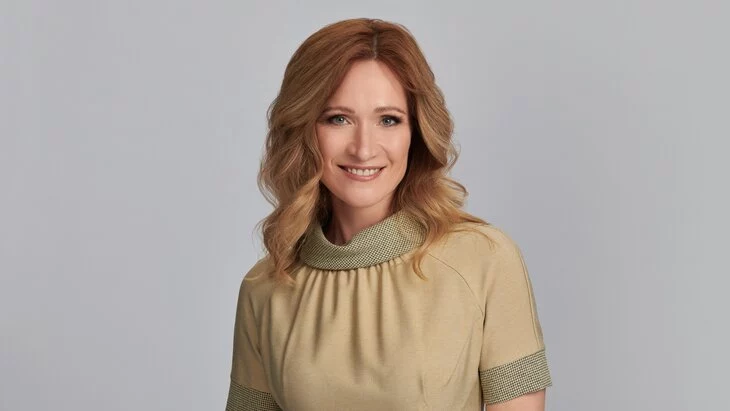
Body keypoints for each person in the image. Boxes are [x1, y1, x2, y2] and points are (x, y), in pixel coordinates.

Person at [225, 18, 553, 411]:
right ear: (304, 129)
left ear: (416, 132)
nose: (363, 149)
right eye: (338, 118)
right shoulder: (265, 286)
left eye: (388, 120)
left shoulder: (484, 259)